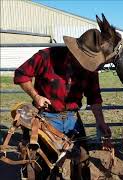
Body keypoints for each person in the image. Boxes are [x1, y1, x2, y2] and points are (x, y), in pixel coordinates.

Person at [14, 29, 112, 177]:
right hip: (47, 118)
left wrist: (101, 122)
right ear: (74, 51)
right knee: (44, 165)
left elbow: (94, 96)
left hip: (72, 118)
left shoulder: (89, 69)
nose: (85, 64)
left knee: (83, 162)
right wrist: (36, 96)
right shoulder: (46, 56)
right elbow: (21, 74)